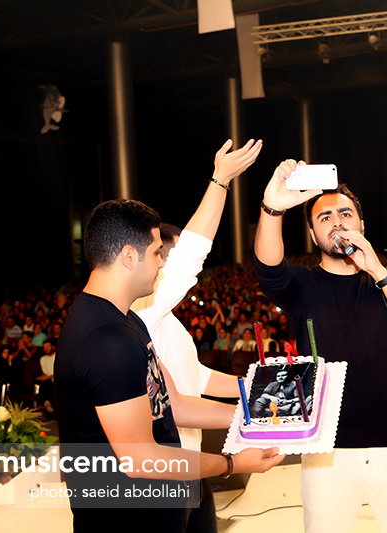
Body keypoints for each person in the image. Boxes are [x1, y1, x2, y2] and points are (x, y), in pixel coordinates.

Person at [54, 198, 284, 533]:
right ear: (129, 256)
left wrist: (258, 417)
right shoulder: (108, 339)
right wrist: (231, 463)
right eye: (157, 253)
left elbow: (171, 405)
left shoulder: (125, 320)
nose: (162, 263)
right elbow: (141, 459)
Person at [253, 159, 387, 533]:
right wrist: (272, 208)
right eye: (324, 217)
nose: (336, 222)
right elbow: (268, 269)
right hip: (327, 450)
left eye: (345, 214)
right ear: (313, 235)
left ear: (362, 226)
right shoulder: (303, 286)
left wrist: (378, 271)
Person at [131, 138, 262, 532]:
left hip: (193, 461)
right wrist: (220, 180)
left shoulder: (164, 318)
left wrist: (253, 388)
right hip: (166, 466)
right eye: (161, 256)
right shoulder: (142, 310)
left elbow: (198, 377)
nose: (165, 267)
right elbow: (191, 255)